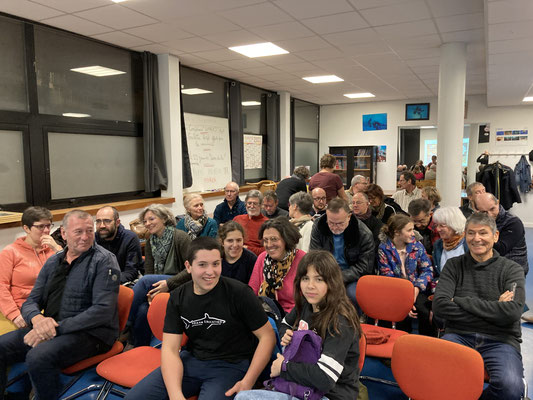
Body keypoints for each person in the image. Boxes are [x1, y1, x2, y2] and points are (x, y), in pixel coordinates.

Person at [125, 237, 276, 400]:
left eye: (216, 264)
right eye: (202, 265)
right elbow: (170, 349)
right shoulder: (178, 297)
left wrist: (248, 382)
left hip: (231, 366)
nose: (210, 272)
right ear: (188, 266)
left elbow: (267, 337)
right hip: (192, 360)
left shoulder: (240, 293)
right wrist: (175, 395)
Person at [0, 210, 120, 400]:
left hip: (92, 334)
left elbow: (102, 311)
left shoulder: (104, 260)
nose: (85, 237)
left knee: (38, 356)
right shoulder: (54, 261)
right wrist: (37, 319)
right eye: (78, 232)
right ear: (63, 233)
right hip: (52, 327)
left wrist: (53, 329)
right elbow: (32, 300)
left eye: (89, 231)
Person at [235, 251, 362, 400]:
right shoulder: (306, 303)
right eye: (305, 278)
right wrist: (286, 334)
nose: (310, 286)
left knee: (244, 398)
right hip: (302, 385)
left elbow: (325, 378)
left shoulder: (340, 321)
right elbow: (284, 324)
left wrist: (284, 367)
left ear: (332, 282)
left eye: (319, 279)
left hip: (330, 394)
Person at [433, 212, 525, 400]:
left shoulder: (512, 269)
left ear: (495, 236)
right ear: (465, 235)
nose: (477, 239)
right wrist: (496, 309)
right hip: (458, 335)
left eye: (483, 233)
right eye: (471, 233)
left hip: (501, 340)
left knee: (510, 388)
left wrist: (460, 301)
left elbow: (512, 312)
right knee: (438, 377)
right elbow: (440, 306)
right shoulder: (453, 266)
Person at [128, 204, 191, 346]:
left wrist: (168, 284)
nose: (147, 224)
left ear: (164, 218)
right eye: (145, 221)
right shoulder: (150, 241)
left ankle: (123, 324)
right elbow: (149, 271)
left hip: (180, 284)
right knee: (143, 310)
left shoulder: (180, 237)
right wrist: (151, 294)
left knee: (144, 281)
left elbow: (192, 269)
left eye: (151, 219)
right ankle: (140, 348)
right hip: (158, 286)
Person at [0, 207, 60, 335]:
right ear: (26, 228)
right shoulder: (10, 252)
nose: (46, 231)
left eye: (49, 226)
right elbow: (1, 286)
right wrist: (14, 314)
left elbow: (72, 273)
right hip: (22, 308)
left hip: (50, 307)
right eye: (41, 227)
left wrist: (57, 249)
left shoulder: (53, 250)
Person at [378, 214, 435, 336]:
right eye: (409, 230)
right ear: (397, 232)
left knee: (423, 311)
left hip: (417, 289)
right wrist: (404, 300)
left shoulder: (417, 246)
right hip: (396, 291)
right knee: (400, 314)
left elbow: (427, 270)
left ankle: (426, 343)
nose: (413, 233)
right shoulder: (384, 249)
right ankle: (400, 342)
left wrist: (416, 288)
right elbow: (387, 276)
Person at [310, 198, 374, 305]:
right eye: (331, 223)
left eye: (339, 223)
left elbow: (364, 267)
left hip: (352, 277)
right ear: (326, 215)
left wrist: (338, 277)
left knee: (352, 295)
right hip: (325, 273)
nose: (335, 227)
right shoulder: (319, 225)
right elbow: (314, 257)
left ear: (349, 217)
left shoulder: (363, 234)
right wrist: (324, 276)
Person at [248, 218, 305, 314]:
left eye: (274, 239)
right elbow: (252, 292)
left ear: (286, 239)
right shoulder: (262, 257)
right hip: (264, 313)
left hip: (293, 316)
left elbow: (306, 302)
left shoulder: (303, 259)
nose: (269, 245)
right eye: (265, 240)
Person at [473, 192, 529, 275]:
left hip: (512, 269)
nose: (490, 215)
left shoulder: (513, 223)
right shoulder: (477, 221)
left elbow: (501, 249)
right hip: (489, 266)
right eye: (484, 212)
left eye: (492, 209)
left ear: (498, 203)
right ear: (477, 211)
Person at [95, 205, 143, 284]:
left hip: (121, 283)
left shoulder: (130, 238)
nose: (102, 225)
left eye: (107, 221)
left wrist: (108, 281)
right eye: (98, 221)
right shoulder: (92, 240)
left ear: (117, 222)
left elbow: (131, 272)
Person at [432, 207, 468, 277]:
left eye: (442, 226)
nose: (438, 229)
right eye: (436, 225)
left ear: (454, 224)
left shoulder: (469, 243)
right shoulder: (438, 244)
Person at [234, 190, 269, 256]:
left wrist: (247, 249)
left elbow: (267, 249)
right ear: (245, 204)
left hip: (255, 257)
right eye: (249, 203)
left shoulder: (267, 223)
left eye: (255, 204)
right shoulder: (237, 219)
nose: (252, 206)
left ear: (261, 205)